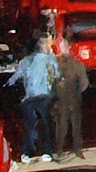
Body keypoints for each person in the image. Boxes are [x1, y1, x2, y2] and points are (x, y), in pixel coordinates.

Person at [8, 31, 59, 162]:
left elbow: (14, 79)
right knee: (47, 125)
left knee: (30, 125)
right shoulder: (49, 59)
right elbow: (57, 75)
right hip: (45, 96)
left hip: (29, 97)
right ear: (41, 46)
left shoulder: (25, 61)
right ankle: (47, 152)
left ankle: (28, 152)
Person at [53, 35, 90, 161]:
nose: (62, 48)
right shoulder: (55, 63)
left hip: (74, 97)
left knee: (76, 125)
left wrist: (76, 92)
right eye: (61, 46)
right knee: (61, 125)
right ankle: (59, 149)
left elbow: (84, 82)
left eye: (64, 46)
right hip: (61, 98)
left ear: (69, 47)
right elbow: (50, 80)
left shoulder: (77, 64)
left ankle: (77, 149)